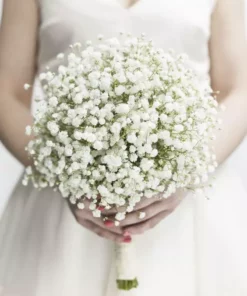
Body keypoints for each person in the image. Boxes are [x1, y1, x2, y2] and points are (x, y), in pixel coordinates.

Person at [0, 0, 247, 295]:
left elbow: (238, 90)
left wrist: (186, 171)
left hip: (191, 210)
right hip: (63, 205)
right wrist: (62, 170)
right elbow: (6, 92)